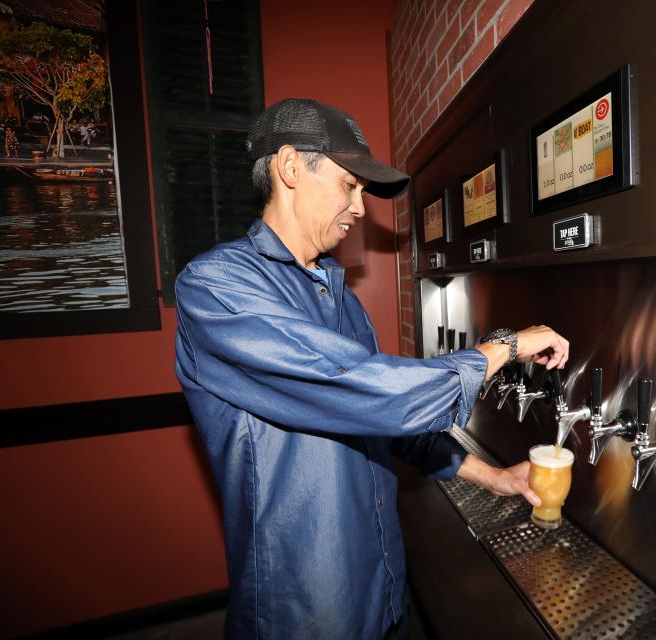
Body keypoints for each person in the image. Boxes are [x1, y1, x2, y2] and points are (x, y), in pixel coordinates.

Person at [174, 98, 570, 639]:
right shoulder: (217, 288)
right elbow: (366, 390)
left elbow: (388, 424)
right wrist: (502, 346)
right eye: (349, 185)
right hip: (305, 611)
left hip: (382, 589)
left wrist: (494, 477)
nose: (360, 208)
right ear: (290, 167)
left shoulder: (341, 296)